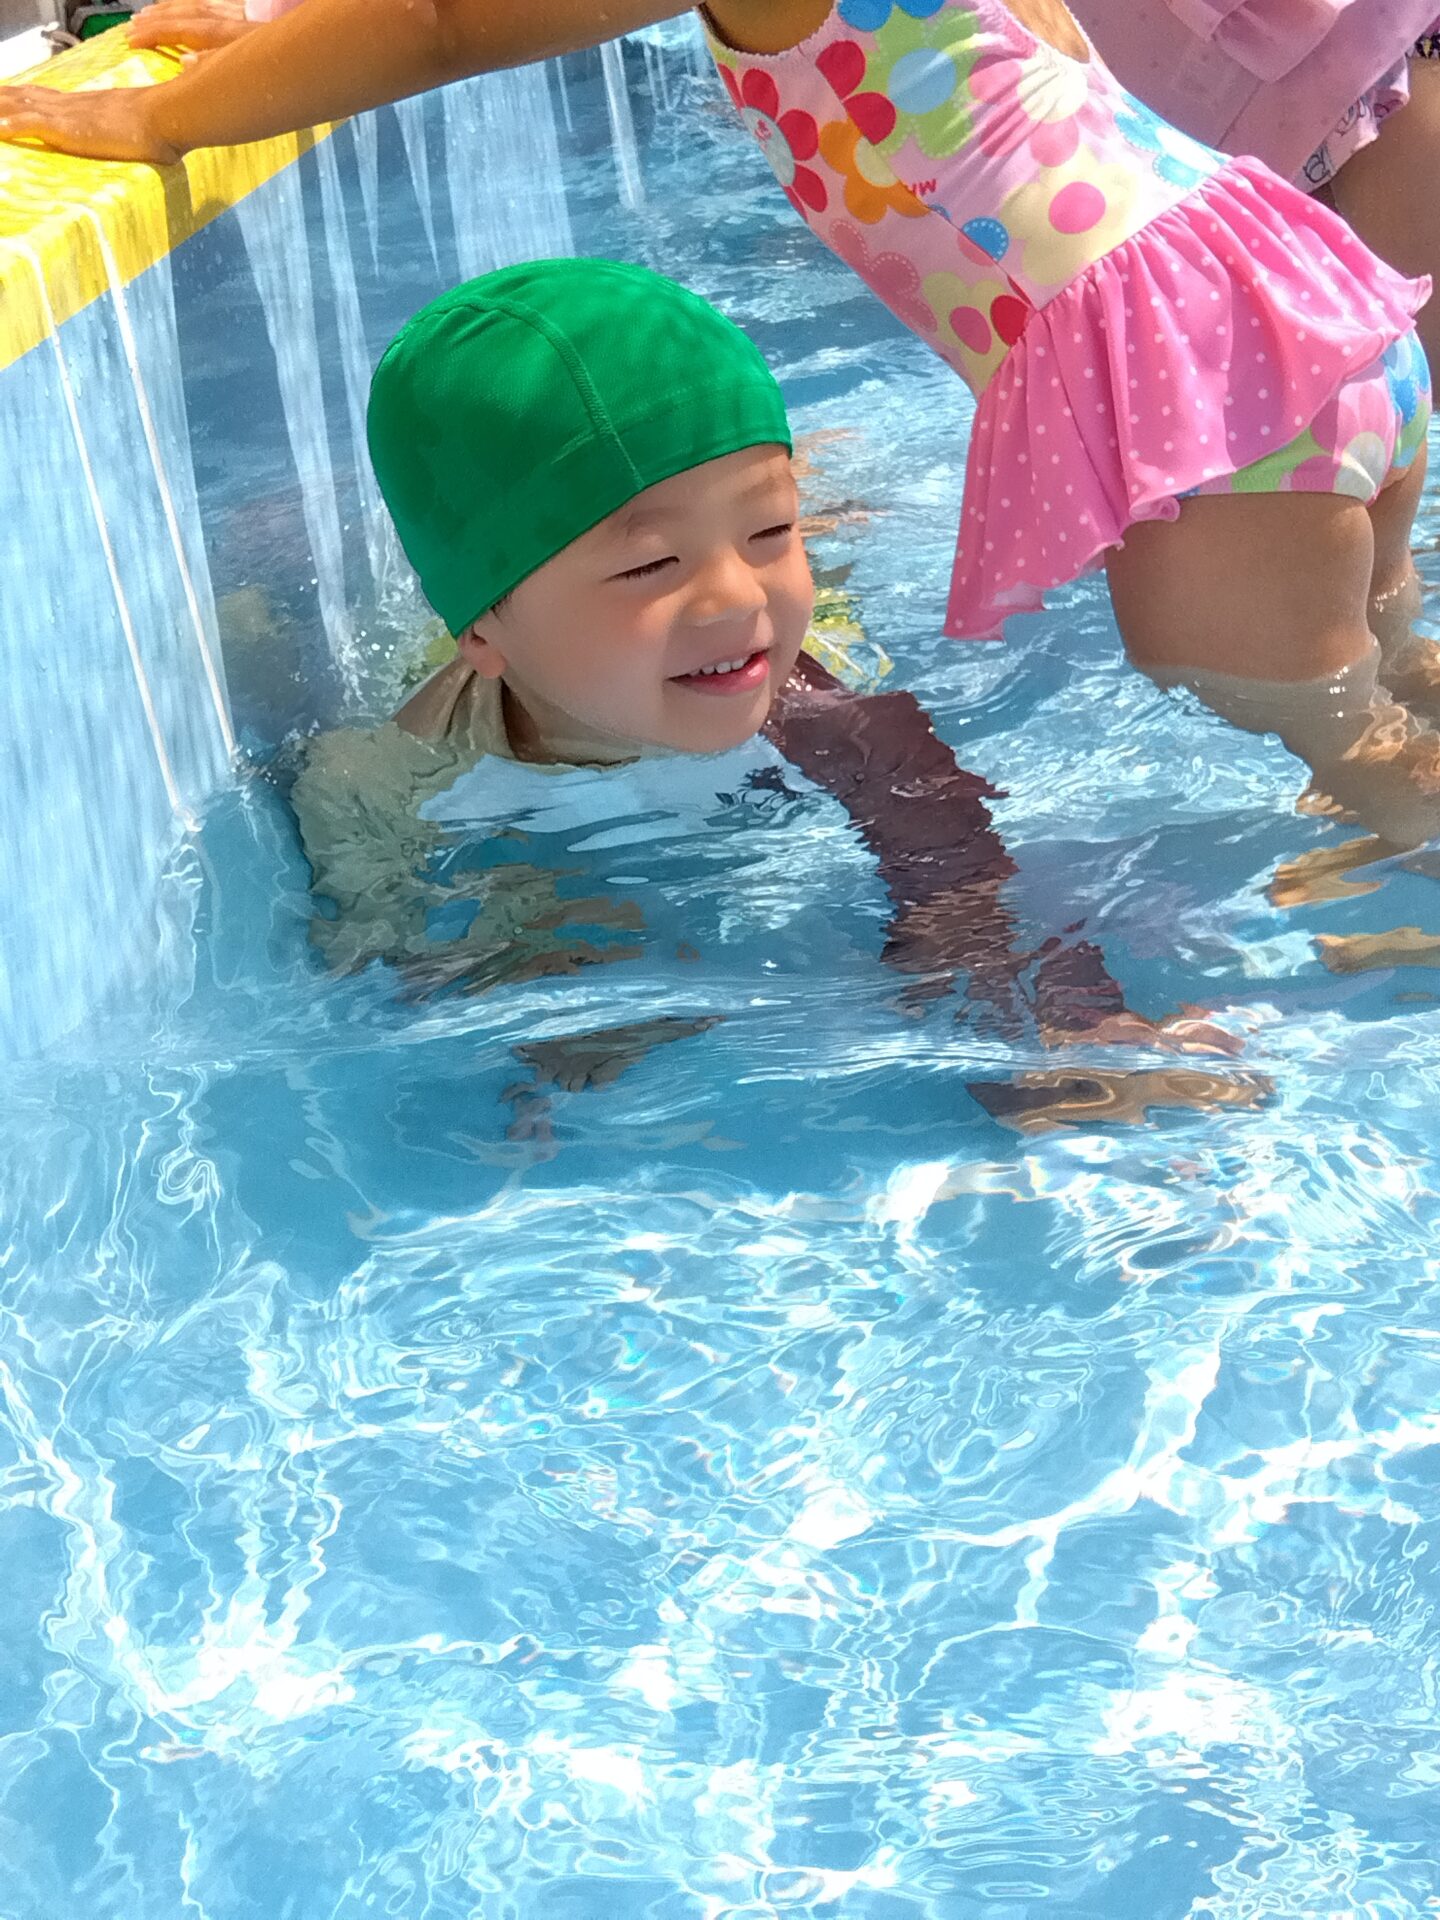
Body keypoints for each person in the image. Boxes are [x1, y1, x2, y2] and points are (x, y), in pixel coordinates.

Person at [6, 0, 1439, 850]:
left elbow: (443, 20)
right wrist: (276, 33)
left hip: (1211, 403)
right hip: (1292, 304)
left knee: (1325, 734)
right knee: (1381, 655)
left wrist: (175, 121)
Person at [292, 256, 1250, 1133]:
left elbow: (954, 873)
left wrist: (1049, 1029)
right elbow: (385, 955)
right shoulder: (390, 772)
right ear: (482, 633)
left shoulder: (811, 706)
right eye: (651, 566)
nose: (739, 599)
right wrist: (516, 979)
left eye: (770, 533)